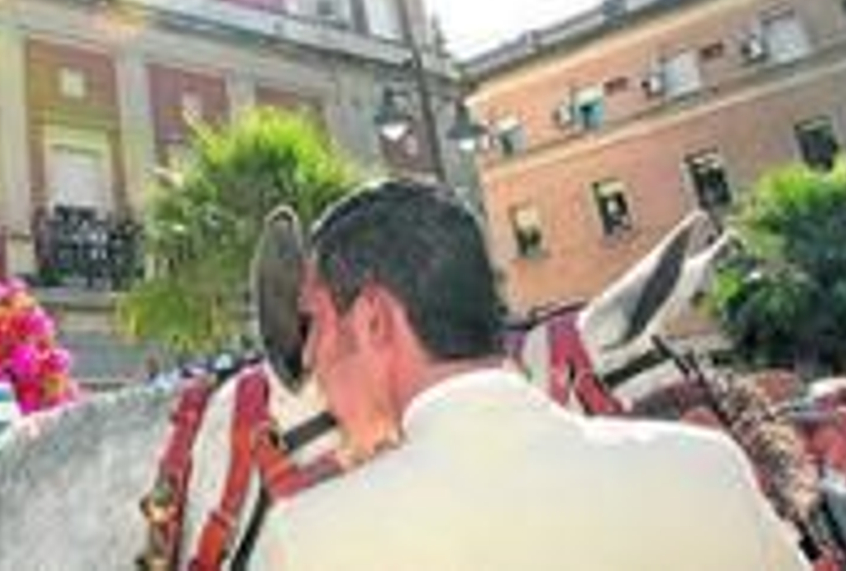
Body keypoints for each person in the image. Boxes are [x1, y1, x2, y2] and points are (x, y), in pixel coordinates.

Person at [255, 178, 810, 571]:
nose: (310, 358)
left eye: (317, 322)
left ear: (374, 319)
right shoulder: (708, 469)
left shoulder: (310, 541)